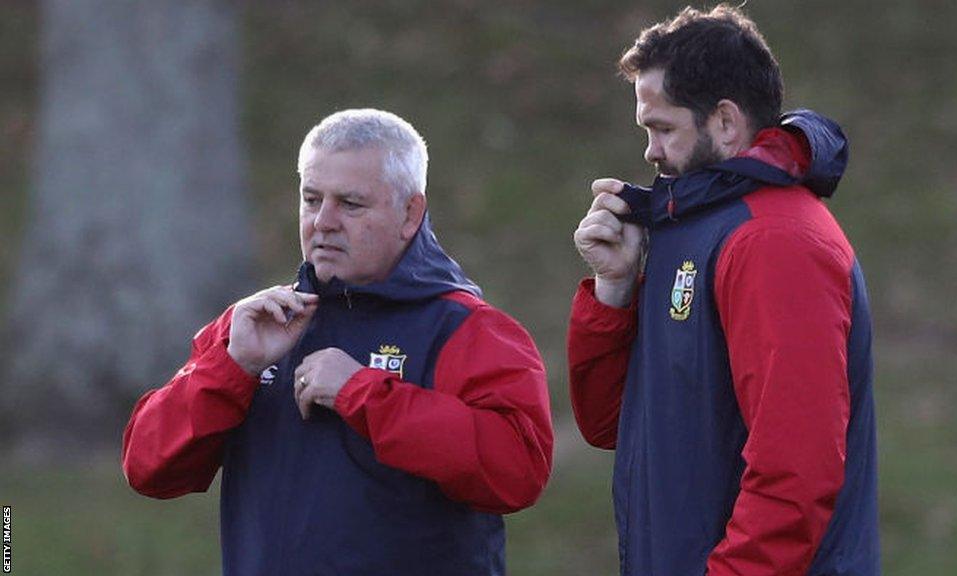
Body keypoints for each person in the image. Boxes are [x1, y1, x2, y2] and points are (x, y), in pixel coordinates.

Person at [123, 109, 553, 576]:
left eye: (350, 204)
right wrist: (231, 369)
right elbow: (148, 469)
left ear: (410, 213)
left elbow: (518, 474)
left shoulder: (467, 330)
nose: (323, 222)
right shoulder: (255, 328)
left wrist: (363, 394)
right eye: (311, 199)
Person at [569, 5, 879, 576]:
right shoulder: (691, 225)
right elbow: (613, 425)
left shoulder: (775, 241)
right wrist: (614, 287)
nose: (650, 151)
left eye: (662, 128)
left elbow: (796, 472)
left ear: (726, 122)